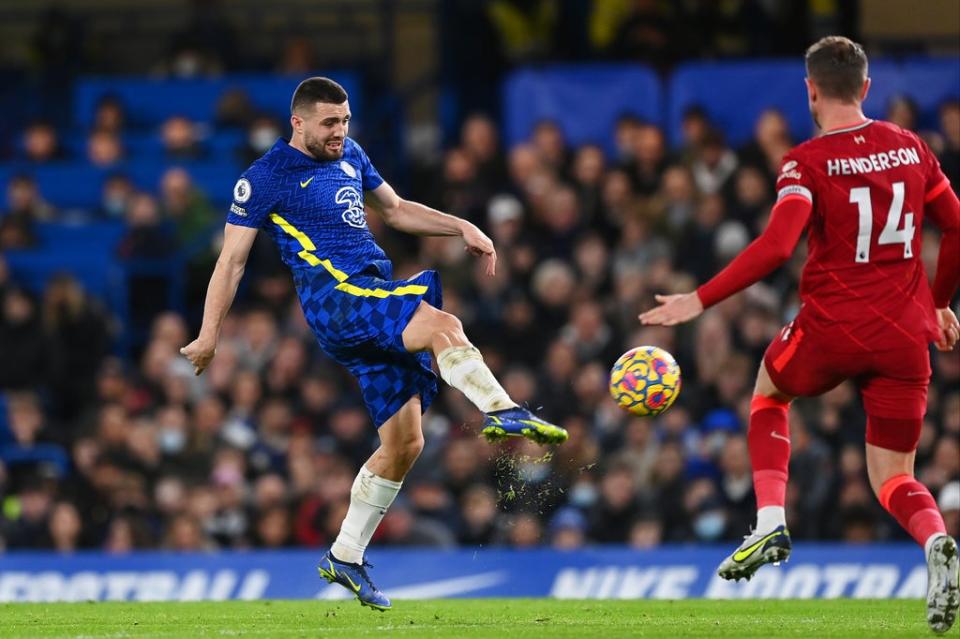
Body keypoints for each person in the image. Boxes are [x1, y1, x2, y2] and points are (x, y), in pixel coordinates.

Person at [179, 77, 567, 611]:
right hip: (336, 298)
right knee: (443, 325)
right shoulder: (265, 177)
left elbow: (398, 210)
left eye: (345, 120)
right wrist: (208, 336)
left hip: (369, 294)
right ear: (298, 123)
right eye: (329, 124)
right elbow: (231, 261)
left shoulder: (351, 153)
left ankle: (345, 555)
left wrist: (462, 227)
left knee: (405, 444)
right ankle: (502, 410)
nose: (340, 131)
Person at [639, 36, 959, 634]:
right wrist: (939, 305)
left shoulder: (806, 162)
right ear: (866, 88)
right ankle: (937, 540)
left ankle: (768, 521)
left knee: (768, 392)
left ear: (810, 90)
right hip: (903, 336)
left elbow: (777, 247)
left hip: (832, 328)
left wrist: (698, 299)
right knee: (895, 476)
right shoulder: (912, 148)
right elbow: (958, 225)